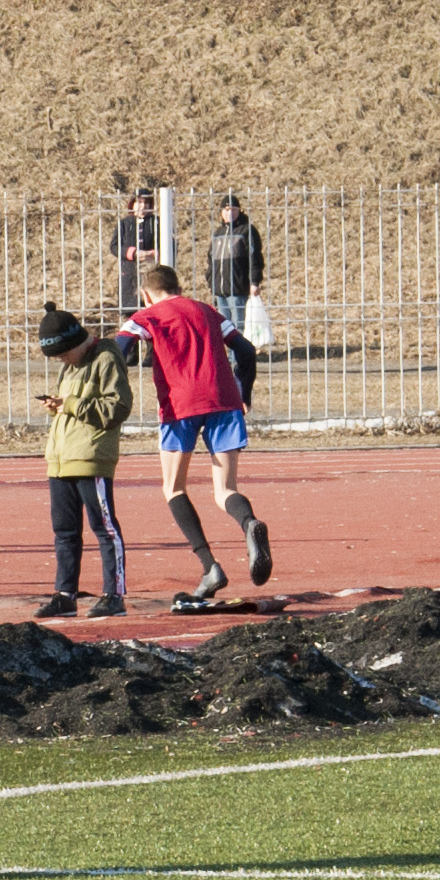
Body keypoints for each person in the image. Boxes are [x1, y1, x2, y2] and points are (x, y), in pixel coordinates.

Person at [117, 263, 270, 609]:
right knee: (225, 489)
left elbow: (120, 350)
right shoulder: (209, 311)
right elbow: (245, 350)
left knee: (174, 488)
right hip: (224, 400)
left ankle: (210, 567)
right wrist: (244, 394)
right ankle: (249, 523)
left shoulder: (148, 315)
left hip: (180, 404)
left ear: (146, 293)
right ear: (179, 286)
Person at [33, 301, 131, 618]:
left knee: (105, 528)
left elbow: (116, 408)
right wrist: (58, 407)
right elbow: (74, 406)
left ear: (76, 342)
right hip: (61, 459)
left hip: (90, 458)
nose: (61, 360)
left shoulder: (106, 356)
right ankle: (65, 594)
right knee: (64, 532)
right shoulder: (70, 365)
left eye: (62, 353)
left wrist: (71, 404)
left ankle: (114, 595)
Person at [198, 195, 264, 347]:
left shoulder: (247, 230)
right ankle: (227, 359)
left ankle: (237, 359)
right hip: (220, 290)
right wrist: (211, 280)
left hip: (238, 288)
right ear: (221, 212)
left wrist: (254, 281)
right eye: (227, 209)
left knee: (237, 327)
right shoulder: (218, 234)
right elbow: (210, 259)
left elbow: (255, 258)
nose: (230, 213)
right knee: (223, 328)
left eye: (234, 209)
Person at [109, 189, 161, 317]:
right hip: (129, 274)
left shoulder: (157, 222)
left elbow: (169, 244)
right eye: (139, 202)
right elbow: (114, 246)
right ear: (132, 204)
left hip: (151, 272)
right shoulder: (124, 224)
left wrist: (154, 253)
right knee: (132, 314)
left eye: (146, 203)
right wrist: (134, 253)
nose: (142, 206)